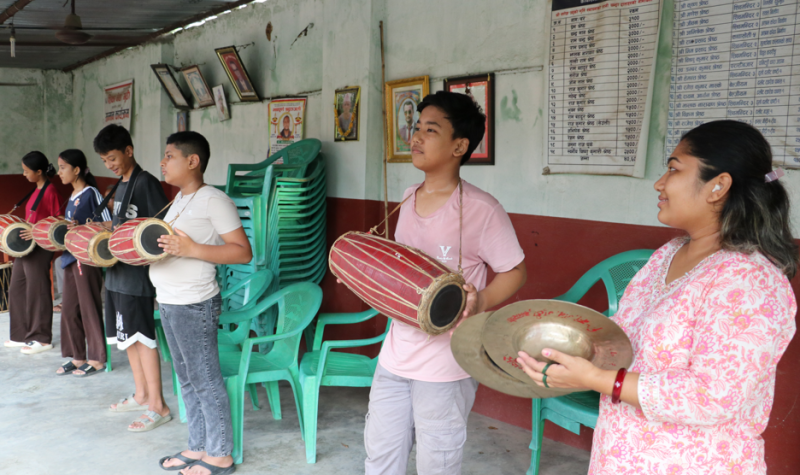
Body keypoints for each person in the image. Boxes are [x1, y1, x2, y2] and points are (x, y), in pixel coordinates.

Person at [517, 120, 798, 475]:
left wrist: (596, 379)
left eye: (673, 169)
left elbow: (712, 396)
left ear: (718, 186)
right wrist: (563, 350)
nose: (659, 184)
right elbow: (623, 339)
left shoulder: (749, 281)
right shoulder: (669, 253)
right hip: (622, 455)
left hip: (697, 464)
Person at [362, 91, 527, 474]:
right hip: (395, 353)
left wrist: (480, 301)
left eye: (430, 130)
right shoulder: (407, 197)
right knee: (381, 454)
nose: (416, 137)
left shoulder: (483, 210)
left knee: (438, 462)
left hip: (447, 363)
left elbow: (516, 271)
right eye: (417, 128)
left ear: (460, 145)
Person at [151, 131, 251, 475]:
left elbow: (242, 251)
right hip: (169, 300)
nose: (162, 163)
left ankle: (220, 453)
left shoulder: (213, 200)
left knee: (205, 378)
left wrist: (192, 250)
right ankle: (197, 445)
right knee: (187, 378)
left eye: (169, 156)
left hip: (194, 303)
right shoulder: (178, 200)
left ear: (192, 161)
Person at [94, 124, 173, 432]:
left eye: (113, 157)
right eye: (104, 161)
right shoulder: (119, 185)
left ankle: (159, 405)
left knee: (143, 339)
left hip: (136, 277)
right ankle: (141, 394)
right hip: (115, 276)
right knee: (127, 338)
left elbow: (160, 230)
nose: (110, 165)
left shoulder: (146, 183)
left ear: (129, 150)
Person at [54, 149, 112, 377]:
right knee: (68, 310)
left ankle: (97, 358)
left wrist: (82, 229)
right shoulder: (72, 196)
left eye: (62, 168)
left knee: (89, 308)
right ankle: (77, 357)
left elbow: (108, 225)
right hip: (70, 258)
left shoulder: (91, 194)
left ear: (76, 170)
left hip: (86, 260)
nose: (59, 173)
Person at [4, 152, 62, 354]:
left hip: (40, 247)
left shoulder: (50, 191)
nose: (23, 174)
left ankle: (42, 338)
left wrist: (35, 231)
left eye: (26, 171)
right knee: (17, 289)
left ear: (39, 172)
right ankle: (20, 334)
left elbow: (57, 223)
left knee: (37, 291)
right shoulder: (35, 190)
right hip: (26, 248)